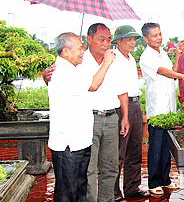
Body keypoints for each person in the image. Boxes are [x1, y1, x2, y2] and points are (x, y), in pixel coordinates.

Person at [43, 23, 129, 202]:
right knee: (69, 188)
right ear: (65, 51)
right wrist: (106, 63)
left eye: (108, 39)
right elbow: (93, 85)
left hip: (81, 136)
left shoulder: (71, 68)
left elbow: (121, 90)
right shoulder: (62, 71)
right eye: (78, 48)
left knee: (81, 182)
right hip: (69, 141)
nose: (81, 52)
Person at [139, 22, 184, 196]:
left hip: (169, 109)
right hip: (158, 110)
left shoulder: (163, 54)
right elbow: (163, 71)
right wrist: (182, 75)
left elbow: (171, 70)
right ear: (146, 38)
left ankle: (165, 180)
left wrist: (177, 56)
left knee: (166, 146)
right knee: (156, 146)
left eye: (160, 34)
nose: (159, 38)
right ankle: (154, 182)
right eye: (154, 35)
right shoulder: (146, 56)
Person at [111, 25, 150, 201]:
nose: (133, 42)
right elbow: (119, 90)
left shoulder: (130, 58)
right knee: (119, 152)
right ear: (118, 41)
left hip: (134, 104)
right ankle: (113, 192)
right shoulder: (113, 58)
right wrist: (124, 116)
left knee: (134, 150)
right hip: (120, 107)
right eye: (129, 39)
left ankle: (132, 187)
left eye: (134, 39)